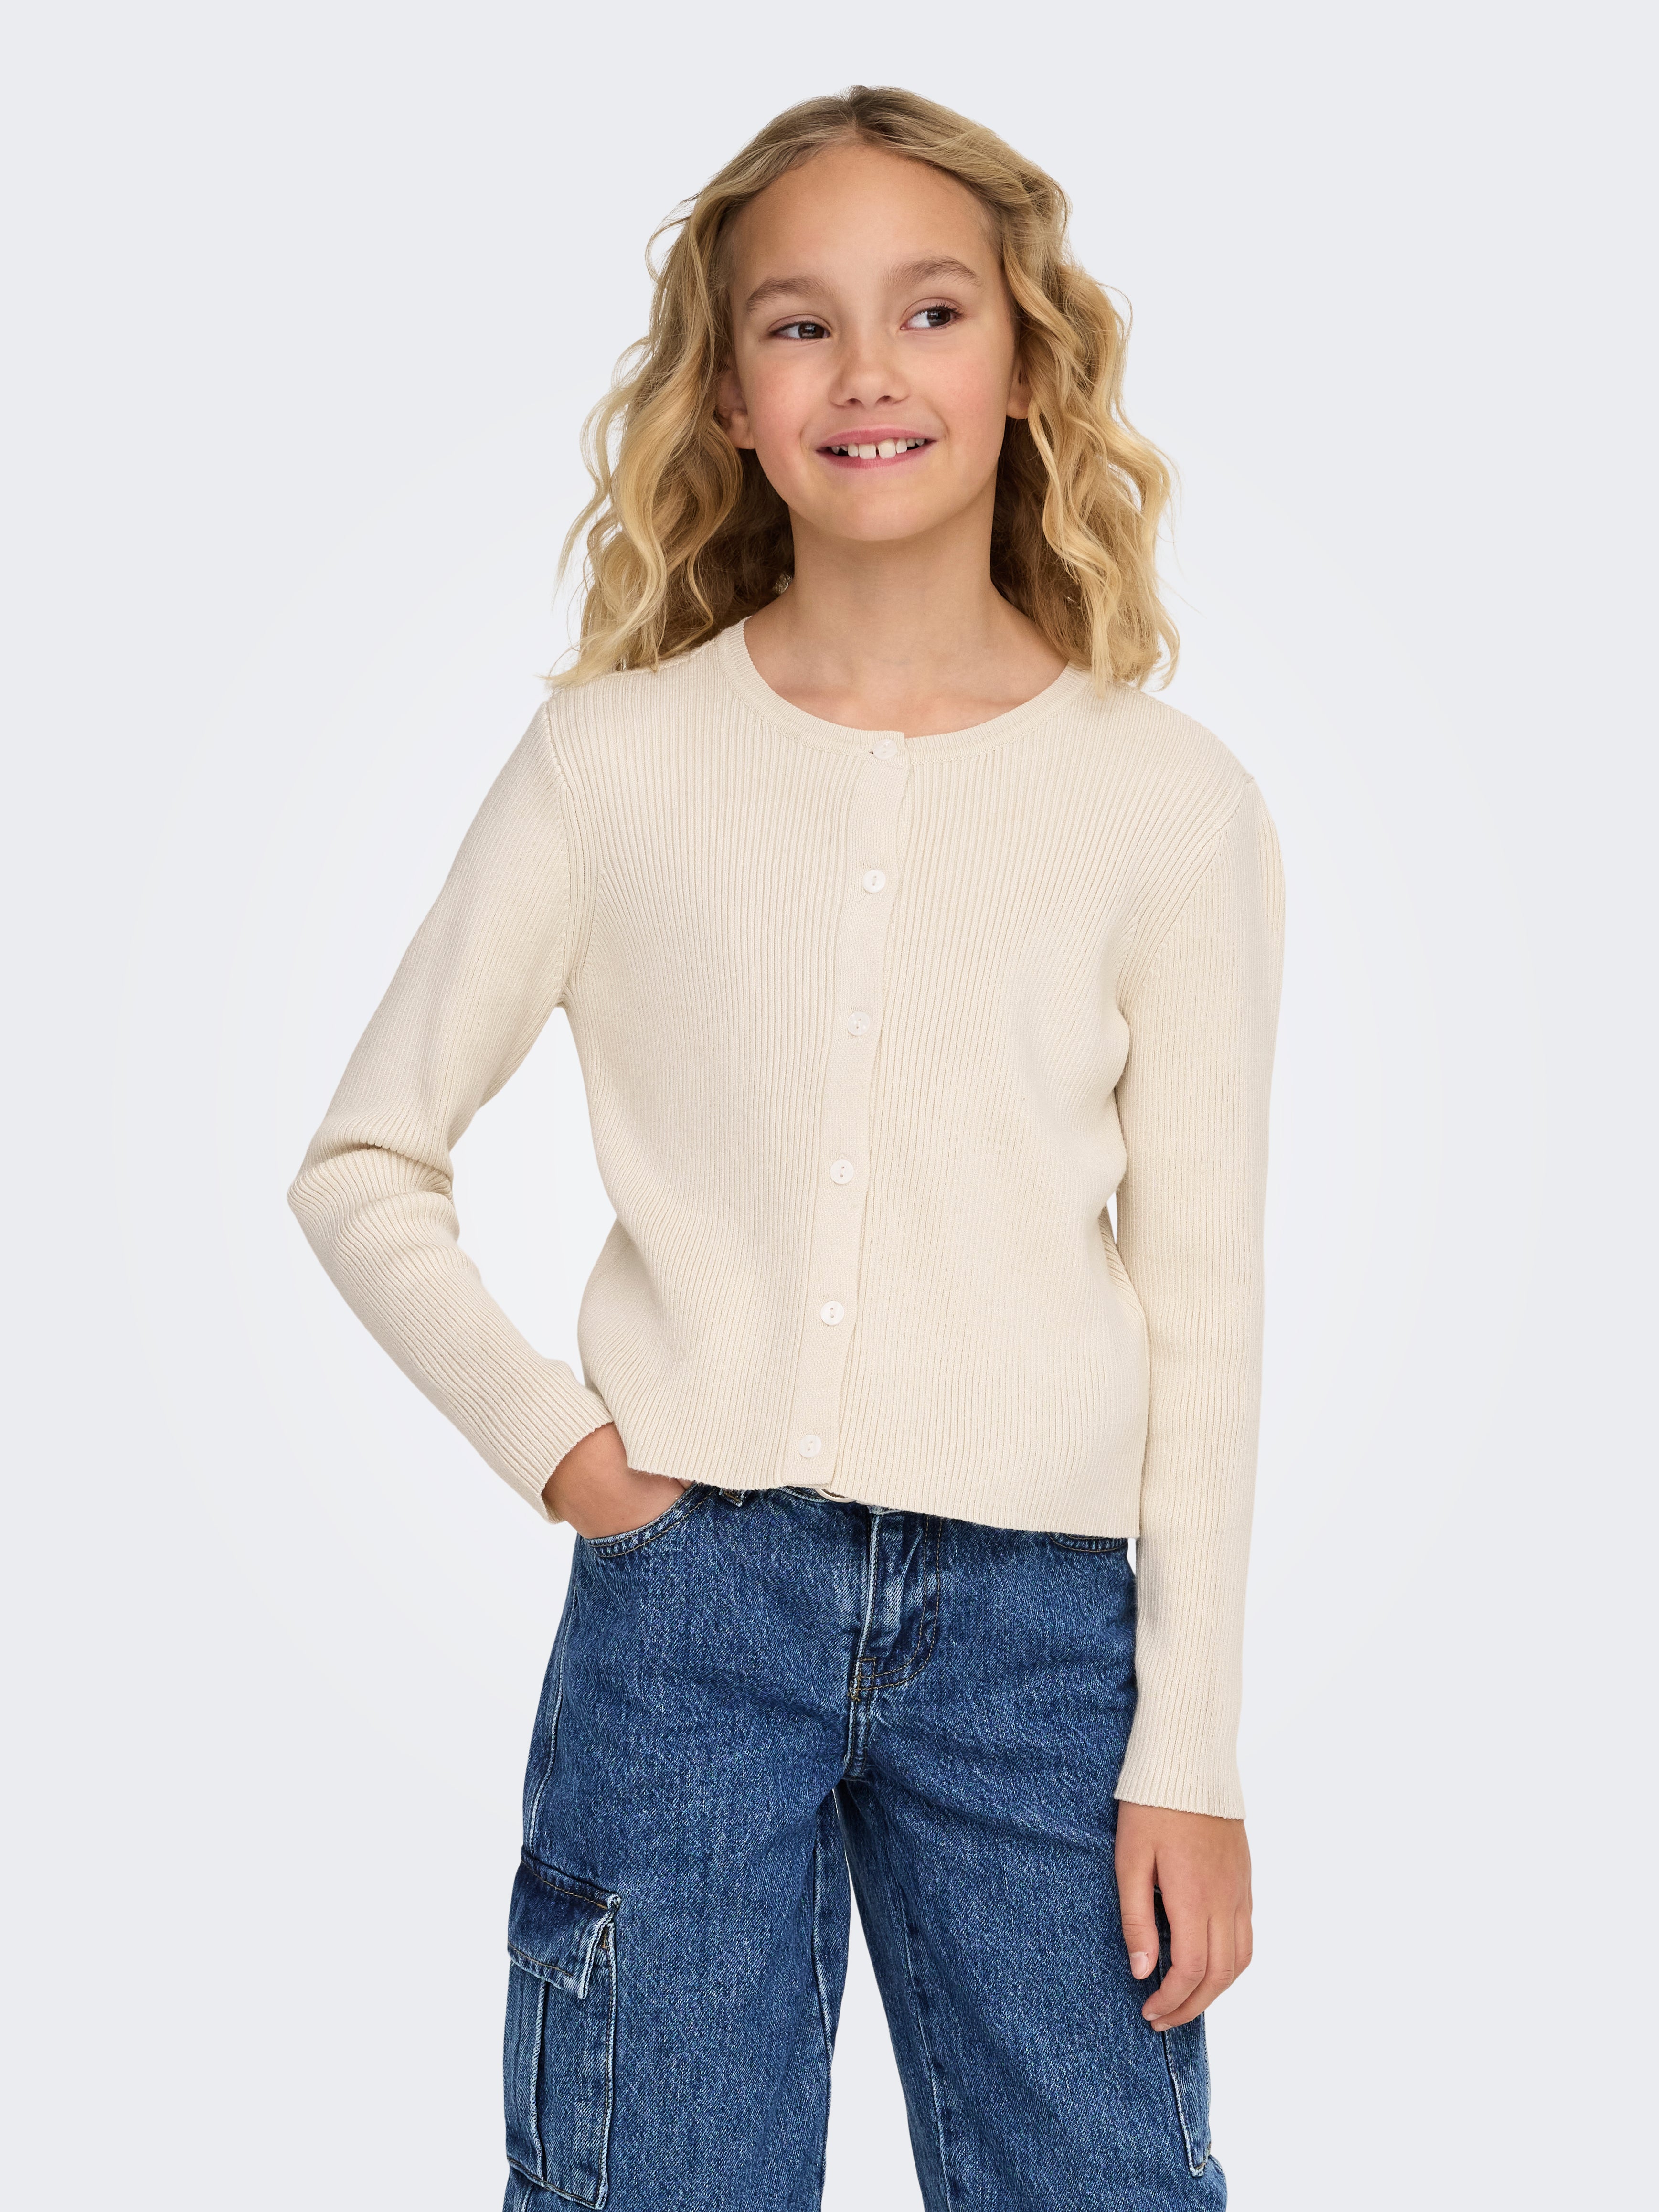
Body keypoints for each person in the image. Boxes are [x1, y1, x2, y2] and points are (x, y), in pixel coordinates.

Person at [287, 84, 1285, 2212]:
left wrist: (1189, 1757)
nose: (866, 373)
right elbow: (365, 1161)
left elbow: (1200, 1311)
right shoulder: (611, 764)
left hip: (1040, 1642)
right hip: (690, 1613)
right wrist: (573, 1457)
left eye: (929, 311)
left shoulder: (1167, 806)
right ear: (729, 400)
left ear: (1024, 365)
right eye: (797, 325)